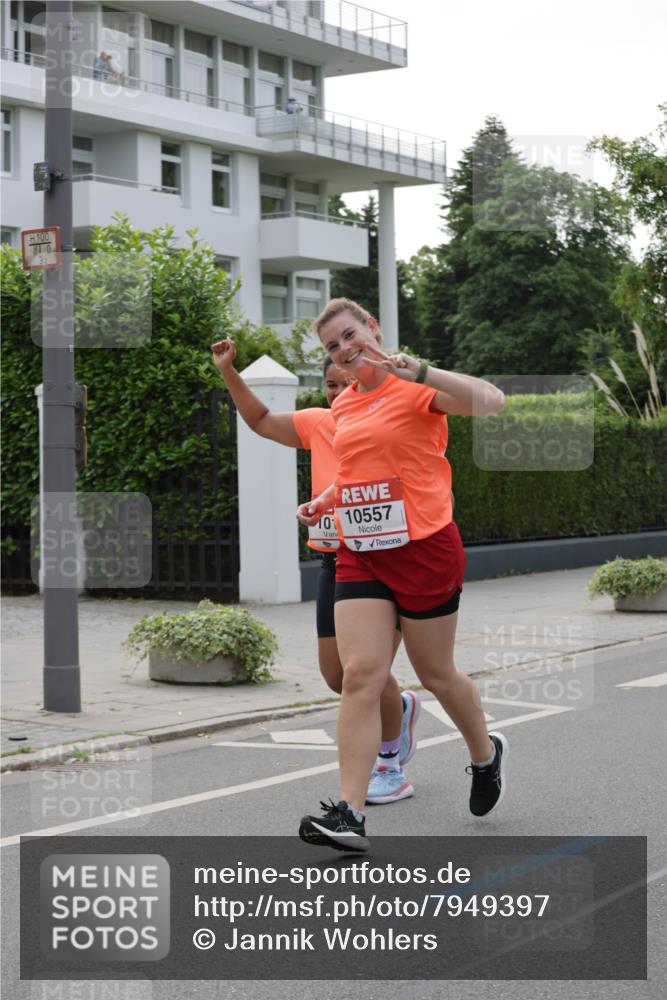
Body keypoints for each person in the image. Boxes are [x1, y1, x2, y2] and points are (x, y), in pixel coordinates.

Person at [297, 298, 508, 852]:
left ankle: (485, 756)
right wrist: (324, 501)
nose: (344, 351)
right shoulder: (343, 408)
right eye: (332, 347)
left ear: (372, 328)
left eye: (348, 336)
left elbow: (493, 401)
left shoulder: (414, 387)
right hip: (362, 552)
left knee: (437, 675)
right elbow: (353, 473)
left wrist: (424, 371)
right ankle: (349, 814)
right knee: (361, 673)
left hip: (424, 549)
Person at [210, 336, 422, 804]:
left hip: (392, 559)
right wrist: (229, 371)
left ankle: (389, 763)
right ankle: (401, 709)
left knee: (366, 671)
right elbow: (262, 421)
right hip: (337, 560)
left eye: (346, 382)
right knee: (337, 676)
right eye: (329, 384)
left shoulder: (395, 420)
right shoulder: (320, 424)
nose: (336, 392)